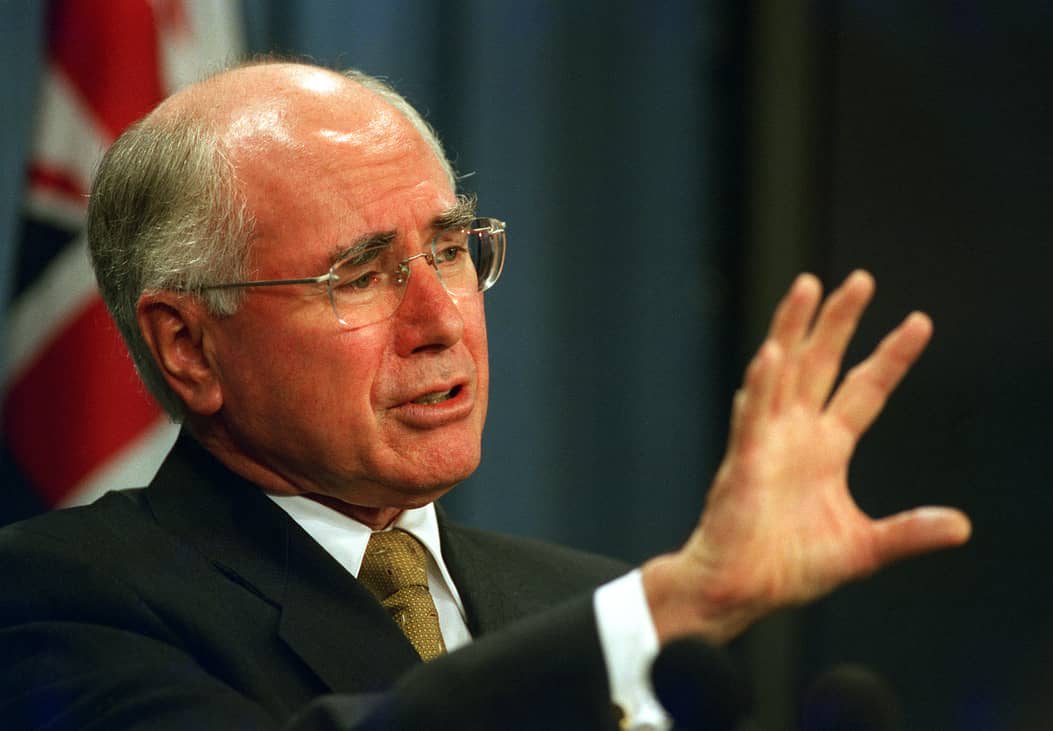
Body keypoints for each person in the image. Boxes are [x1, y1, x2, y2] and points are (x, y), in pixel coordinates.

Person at [0, 60, 971, 730]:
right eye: (360, 275)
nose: (440, 319)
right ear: (189, 347)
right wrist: (667, 606)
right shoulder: (60, 599)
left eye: (451, 249)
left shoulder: (578, 599)